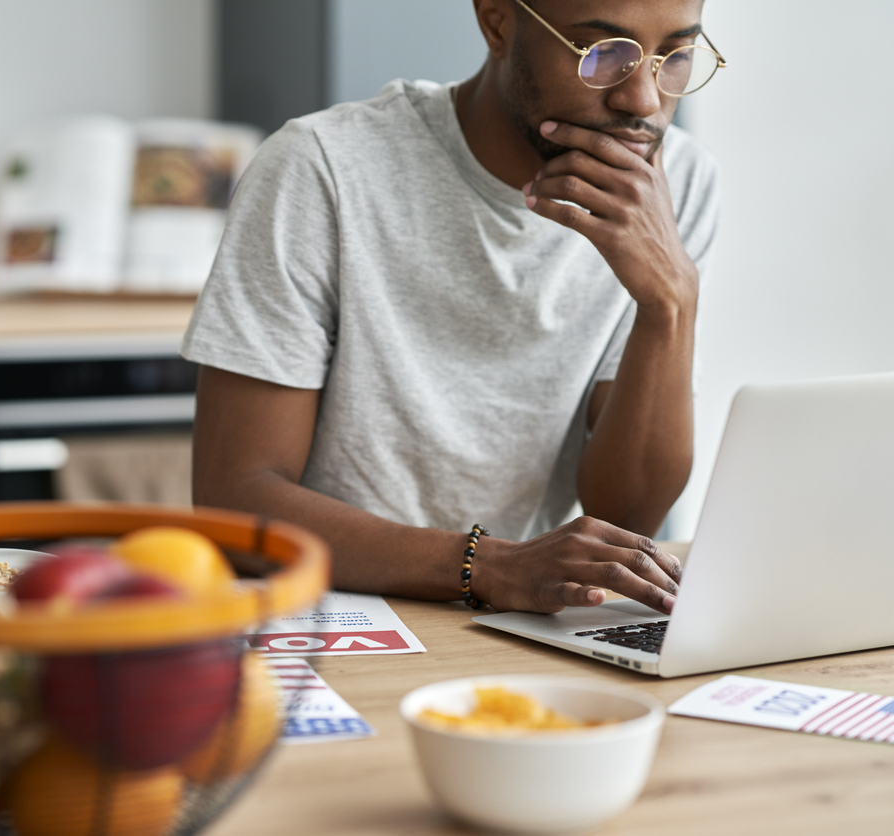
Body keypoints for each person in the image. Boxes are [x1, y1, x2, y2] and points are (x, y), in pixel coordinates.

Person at [184, 0, 722, 616]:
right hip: (329, 614)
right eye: (602, 54)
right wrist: (491, 565)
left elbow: (625, 515)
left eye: (674, 57)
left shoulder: (677, 183)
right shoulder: (321, 167)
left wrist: (670, 303)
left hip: (519, 616)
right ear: (497, 22)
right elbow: (236, 499)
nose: (645, 101)